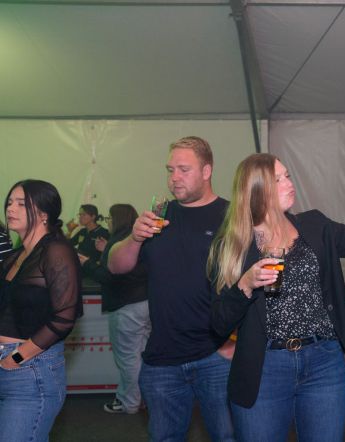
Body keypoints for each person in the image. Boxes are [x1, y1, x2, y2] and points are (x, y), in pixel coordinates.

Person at [208, 153, 345, 442]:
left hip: (324, 361)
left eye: (287, 176)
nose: (289, 183)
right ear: (256, 190)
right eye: (277, 180)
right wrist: (245, 285)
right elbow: (218, 322)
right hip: (265, 367)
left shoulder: (315, 225)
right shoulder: (231, 246)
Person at [108, 136, 234, 442]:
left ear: (207, 171)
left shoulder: (232, 217)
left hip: (216, 356)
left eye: (183, 169)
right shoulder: (159, 215)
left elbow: (257, 280)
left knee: (228, 437)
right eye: (170, 170)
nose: (174, 177)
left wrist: (235, 345)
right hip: (162, 358)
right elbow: (115, 266)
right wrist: (134, 238)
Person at [0, 179, 83, 442]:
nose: (11, 208)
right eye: (9, 202)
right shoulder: (15, 256)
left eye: (21, 204)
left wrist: (17, 357)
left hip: (30, 368)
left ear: (44, 213)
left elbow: (64, 318)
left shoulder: (56, 250)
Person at [79, 204, 150, 414]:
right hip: (144, 303)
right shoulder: (137, 240)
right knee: (141, 356)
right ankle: (142, 398)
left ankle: (129, 402)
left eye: (109, 218)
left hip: (126, 305)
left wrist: (87, 263)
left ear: (117, 219)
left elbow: (108, 276)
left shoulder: (119, 241)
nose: (107, 222)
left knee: (128, 358)